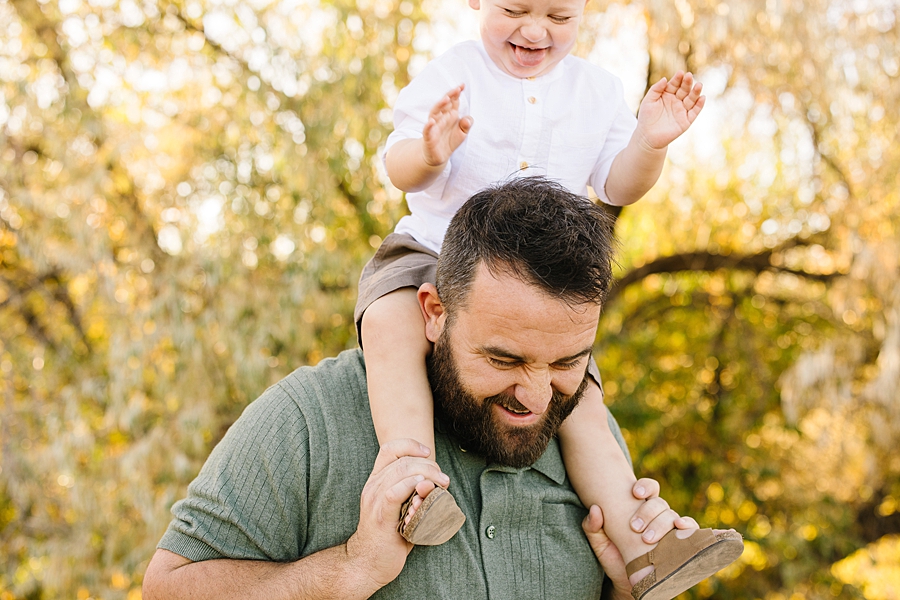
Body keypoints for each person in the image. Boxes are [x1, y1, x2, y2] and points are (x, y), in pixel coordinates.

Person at [143, 178, 739, 599]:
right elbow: (166, 591)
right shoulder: (308, 420)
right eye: (503, 358)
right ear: (433, 311)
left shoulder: (588, 436)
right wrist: (349, 571)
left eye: (567, 362)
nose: (535, 397)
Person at [358, 0, 739, 598]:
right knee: (389, 325)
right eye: (514, 9)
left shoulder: (596, 89)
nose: (534, 30)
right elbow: (398, 165)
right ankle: (413, 483)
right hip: (433, 251)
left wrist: (651, 142)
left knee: (578, 397)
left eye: (559, 18)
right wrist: (430, 152)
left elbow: (618, 183)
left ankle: (645, 546)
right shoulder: (450, 73)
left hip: (537, 293)